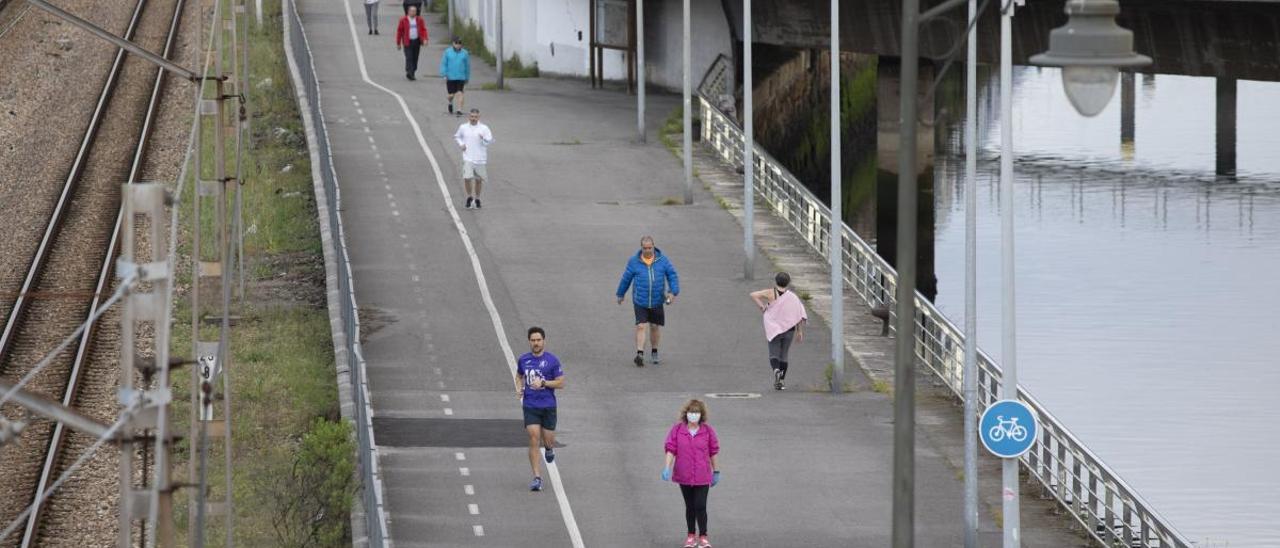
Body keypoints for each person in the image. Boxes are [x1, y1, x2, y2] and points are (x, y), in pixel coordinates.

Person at [662, 399, 720, 548]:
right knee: (690, 506)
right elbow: (671, 449)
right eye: (691, 412)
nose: (693, 415)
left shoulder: (707, 431)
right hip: (684, 475)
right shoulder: (677, 430)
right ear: (686, 414)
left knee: (700, 505)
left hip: (702, 475)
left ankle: (703, 536)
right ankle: (691, 536)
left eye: (696, 412)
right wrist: (667, 467)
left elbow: (713, 452)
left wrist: (716, 471)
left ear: (701, 415)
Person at [615, 236, 680, 367]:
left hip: (657, 300)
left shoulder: (663, 260)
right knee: (641, 326)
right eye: (644, 248)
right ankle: (640, 354)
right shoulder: (634, 262)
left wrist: (673, 292)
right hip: (640, 300)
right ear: (641, 248)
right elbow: (626, 278)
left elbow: (672, 275)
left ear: (653, 246)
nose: (647, 250)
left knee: (655, 327)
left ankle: (654, 351)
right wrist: (620, 294)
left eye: (649, 248)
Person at [514, 326, 565, 492]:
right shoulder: (523, 360)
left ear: (544, 341)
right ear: (529, 341)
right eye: (533, 340)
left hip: (548, 405)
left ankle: (549, 448)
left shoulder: (552, 361)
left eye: (538, 340)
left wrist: (544, 383)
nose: (536, 343)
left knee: (548, 439)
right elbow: (519, 376)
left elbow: (561, 383)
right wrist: (518, 387)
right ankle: (537, 477)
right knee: (534, 437)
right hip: (530, 405)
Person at [750, 272, 807, 390]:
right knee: (784, 355)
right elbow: (798, 314)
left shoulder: (771, 292)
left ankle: (776, 370)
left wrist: (762, 307)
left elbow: (753, 294)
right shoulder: (792, 297)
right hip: (789, 329)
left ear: (776, 281)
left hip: (775, 329)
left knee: (773, 354)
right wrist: (799, 331)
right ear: (788, 282)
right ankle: (781, 381)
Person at [454, 108, 493, 210]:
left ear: (479, 117)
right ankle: (469, 197)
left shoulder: (484, 128)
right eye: (471, 116)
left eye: (475, 117)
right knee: (467, 178)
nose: (473, 118)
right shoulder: (463, 127)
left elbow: (490, 141)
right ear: (469, 117)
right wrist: (461, 144)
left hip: (480, 158)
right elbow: (457, 136)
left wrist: (483, 139)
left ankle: (477, 199)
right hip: (468, 157)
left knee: (478, 180)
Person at [439, 37, 471, 116]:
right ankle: (450, 102)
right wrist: (444, 74)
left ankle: (459, 110)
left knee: (460, 93)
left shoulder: (465, 53)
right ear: (453, 43)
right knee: (451, 95)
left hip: (461, 77)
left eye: (459, 43)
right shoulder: (448, 52)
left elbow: (467, 66)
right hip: (451, 77)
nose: (458, 45)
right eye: (456, 43)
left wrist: (467, 77)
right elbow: (444, 64)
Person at [394, 6, 427, 80]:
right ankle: (410, 72)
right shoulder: (403, 20)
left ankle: (412, 70)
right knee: (409, 57)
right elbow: (399, 32)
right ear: (408, 12)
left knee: (415, 58)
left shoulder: (419, 20)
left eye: (414, 11)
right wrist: (398, 43)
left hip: (416, 41)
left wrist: (425, 39)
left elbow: (423, 30)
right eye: (411, 11)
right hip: (407, 42)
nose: (413, 13)